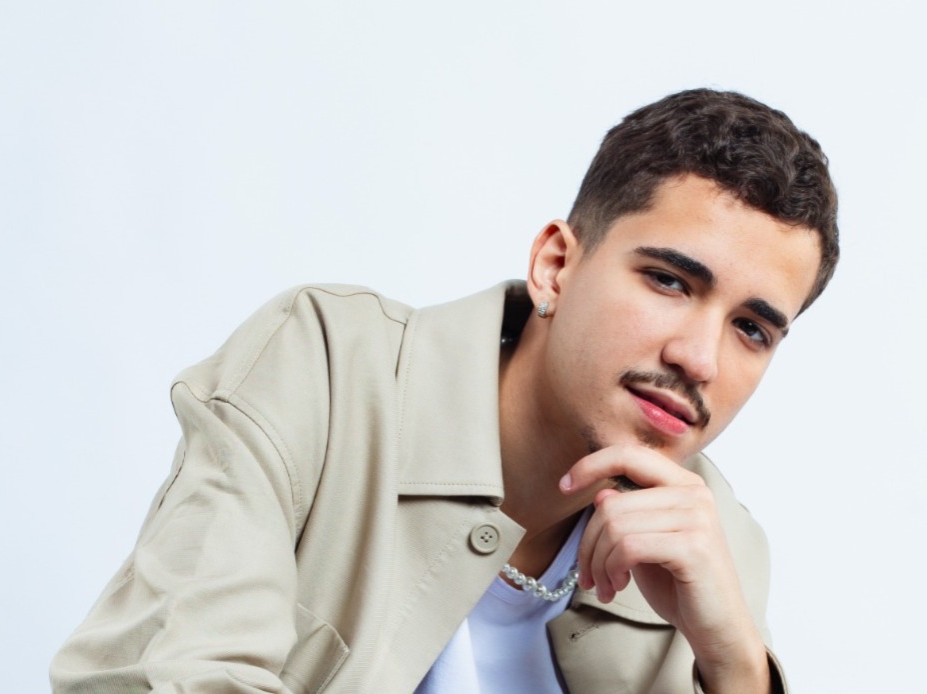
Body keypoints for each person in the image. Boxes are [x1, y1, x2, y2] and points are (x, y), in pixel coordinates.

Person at [51, 88, 838, 693]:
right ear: (555, 267)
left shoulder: (713, 543)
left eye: (751, 329)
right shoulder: (327, 371)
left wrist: (735, 666)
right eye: (667, 280)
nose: (698, 358)